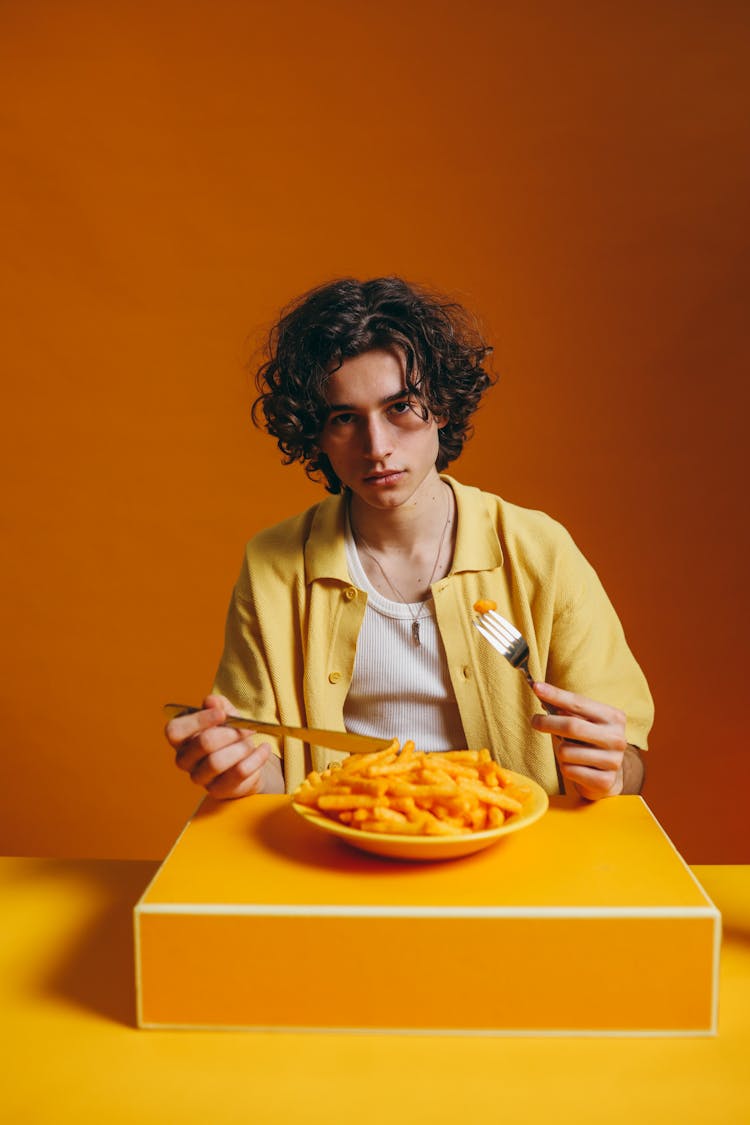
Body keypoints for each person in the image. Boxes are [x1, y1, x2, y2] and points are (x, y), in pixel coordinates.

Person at [166, 276, 653, 803]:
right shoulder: (275, 565)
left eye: (400, 407)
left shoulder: (539, 549)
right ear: (318, 433)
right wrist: (235, 770)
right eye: (345, 418)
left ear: (441, 406)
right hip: (345, 846)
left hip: (513, 856)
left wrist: (613, 769)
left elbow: (628, 762)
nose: (376, 447)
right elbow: (268, 771)